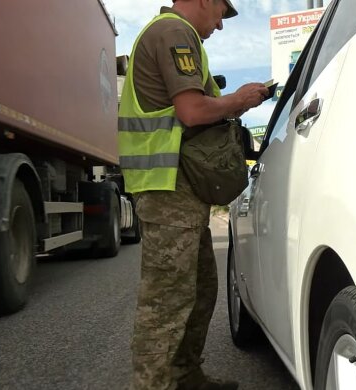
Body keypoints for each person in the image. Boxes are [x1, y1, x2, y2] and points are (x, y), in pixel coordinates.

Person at [117, 1, 269, 389]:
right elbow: (191, 111)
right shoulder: (174, 32)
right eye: (220, 12)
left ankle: (185, 376)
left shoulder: (176, 35)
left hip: (178, 188)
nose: (219, 25)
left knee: (201, 290)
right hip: (168, 186)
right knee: (166, 304)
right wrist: (241, 99)